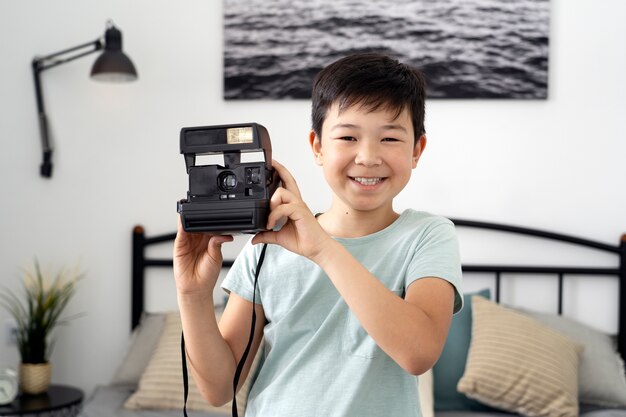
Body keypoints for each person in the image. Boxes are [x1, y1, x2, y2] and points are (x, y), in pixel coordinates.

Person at [173, 52, 463, 417]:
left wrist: (323, 249)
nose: (368, 156)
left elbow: (418, 353)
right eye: (347, 137)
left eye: (390, 139)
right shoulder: (267, 245)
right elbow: (218, 389)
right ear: (317, 147)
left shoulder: (428, 235)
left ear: (417, 150)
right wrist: (193, 295)